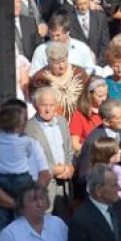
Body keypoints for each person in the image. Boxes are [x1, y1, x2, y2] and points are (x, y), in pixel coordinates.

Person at [0, 103, 52, 239]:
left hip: (24, 196)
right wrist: (23, 205)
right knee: (2, 234)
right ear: (19, 124)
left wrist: (33, 198)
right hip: (11, 194)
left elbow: (45, 173)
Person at [24, 87, 75, 218]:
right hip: (44, 187)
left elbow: (69, 149)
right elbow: (30, 160)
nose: (48, 109)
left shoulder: (62, 122)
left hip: (65, 185)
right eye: (44, 105)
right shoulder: (28, 128)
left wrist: (69, 167)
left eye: (52, 105)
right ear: (35, 105)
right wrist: (54, 169)